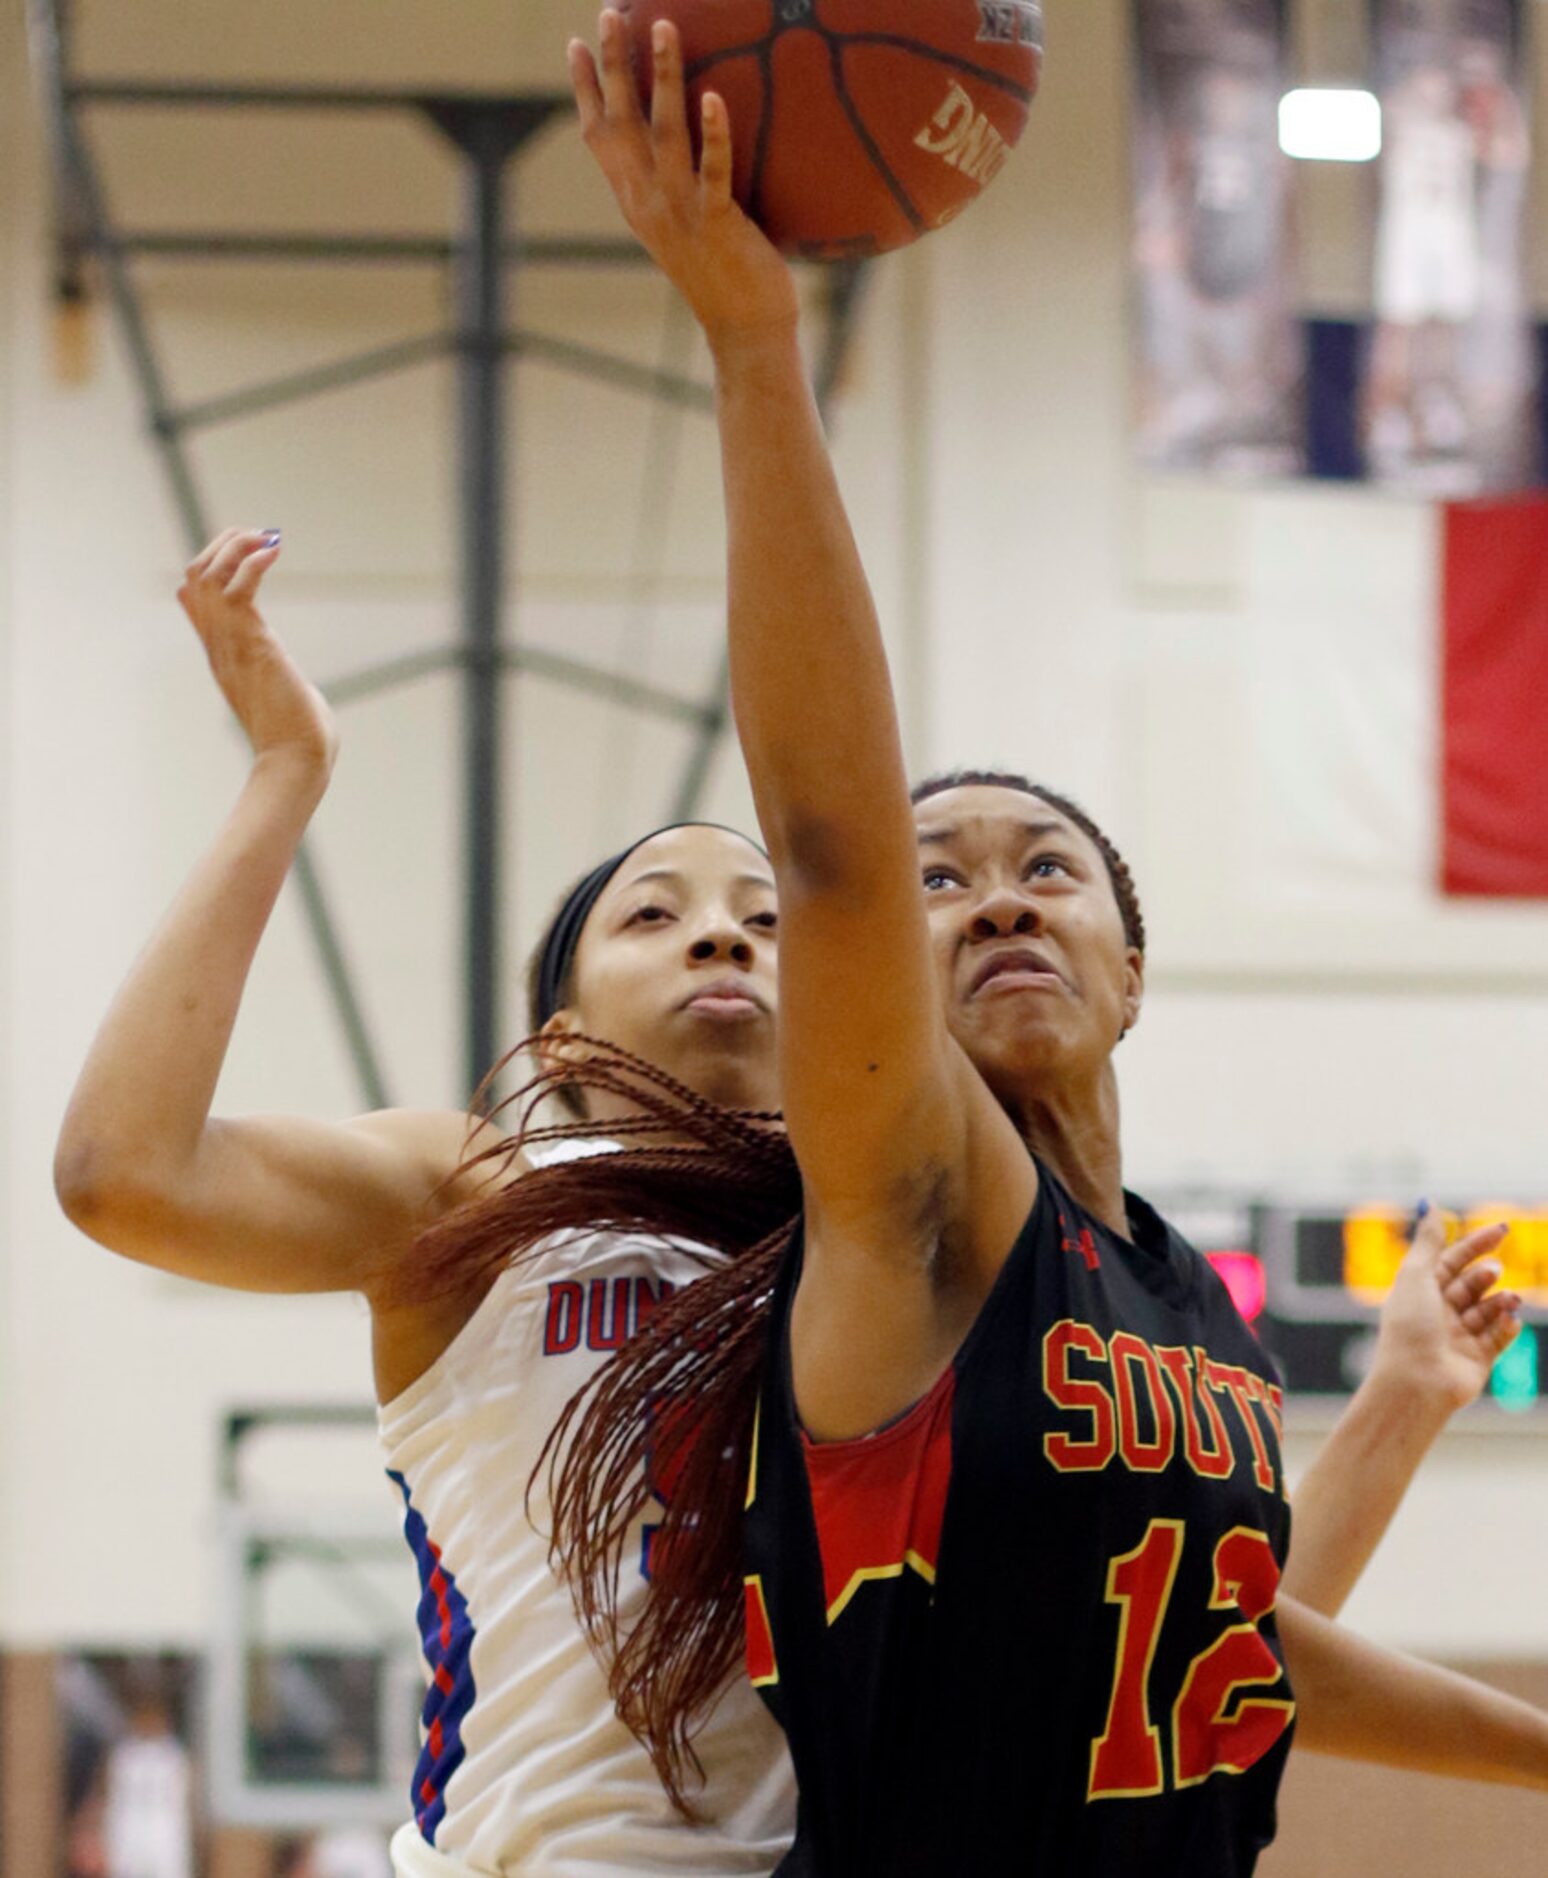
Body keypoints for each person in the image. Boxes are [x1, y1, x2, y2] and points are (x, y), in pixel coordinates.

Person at [552, 13, 1548, 1872]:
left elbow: (1223, 1660)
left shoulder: (1185, 1302)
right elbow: (831, 847)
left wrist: (1404, 1399)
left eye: (1047, 868)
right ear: (869, 996)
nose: (995, 891)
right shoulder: (912, 1200)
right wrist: (758, 349)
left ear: (1135, 968)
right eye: (946, 882)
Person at [52, 529, 795, 1878]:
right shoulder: (485, 1193)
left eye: (766, 915)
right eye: (654, 915)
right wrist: (288, 772)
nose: (722, 932)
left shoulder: (898, 1239)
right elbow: (122, 1172)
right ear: (562, 1044)